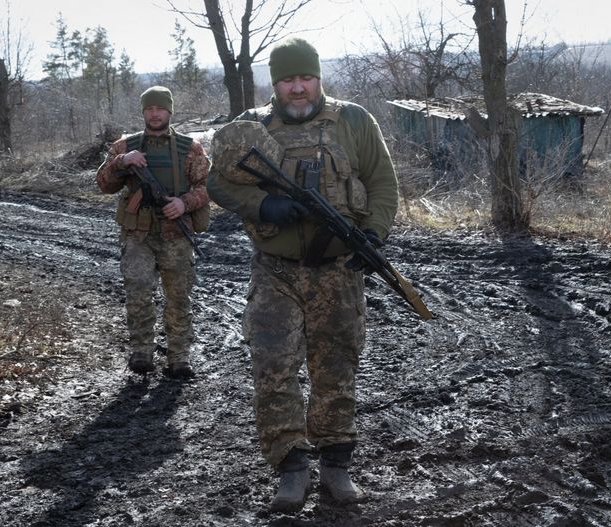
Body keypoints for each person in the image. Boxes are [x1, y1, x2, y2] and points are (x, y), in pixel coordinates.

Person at [207, 37, 399, 512]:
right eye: (288, 79)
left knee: (336, 367)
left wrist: (373, 233)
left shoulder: (353, 119)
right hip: (276, 271)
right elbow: (216, 180)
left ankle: (336, 466)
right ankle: (291, 468)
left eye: (306, 78)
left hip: (337, 271)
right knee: (273, 367)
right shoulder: (250, 128)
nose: (298, 88)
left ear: (318, 78)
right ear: (275, 83)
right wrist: (262, 203)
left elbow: (382, 182)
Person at [96, 85, 210, 379]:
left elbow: (209, 187)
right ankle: (141, 352)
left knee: (179, 297)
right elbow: (104, 185)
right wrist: (122, 162)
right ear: (143, 112)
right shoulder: (125, 146)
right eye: (149, 109)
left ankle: (179, 357)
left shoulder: (191, 148)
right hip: (138, 234)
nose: (155, 113)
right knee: (138, 293)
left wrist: (184, 204)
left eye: (160, 108)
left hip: (176, 233)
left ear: (169, 111)